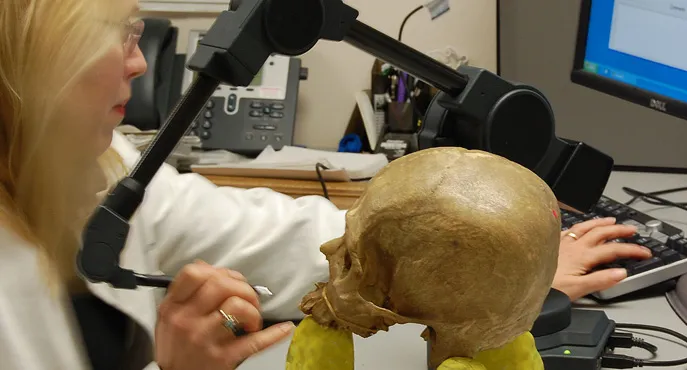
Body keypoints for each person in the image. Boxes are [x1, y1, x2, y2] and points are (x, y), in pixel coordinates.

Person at [0, 0, 651, 369]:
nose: (140, 65)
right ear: (25, 55)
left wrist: (483, 259)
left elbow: (259, 232)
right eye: (113, 40)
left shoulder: (96, 166)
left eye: (136, 36)